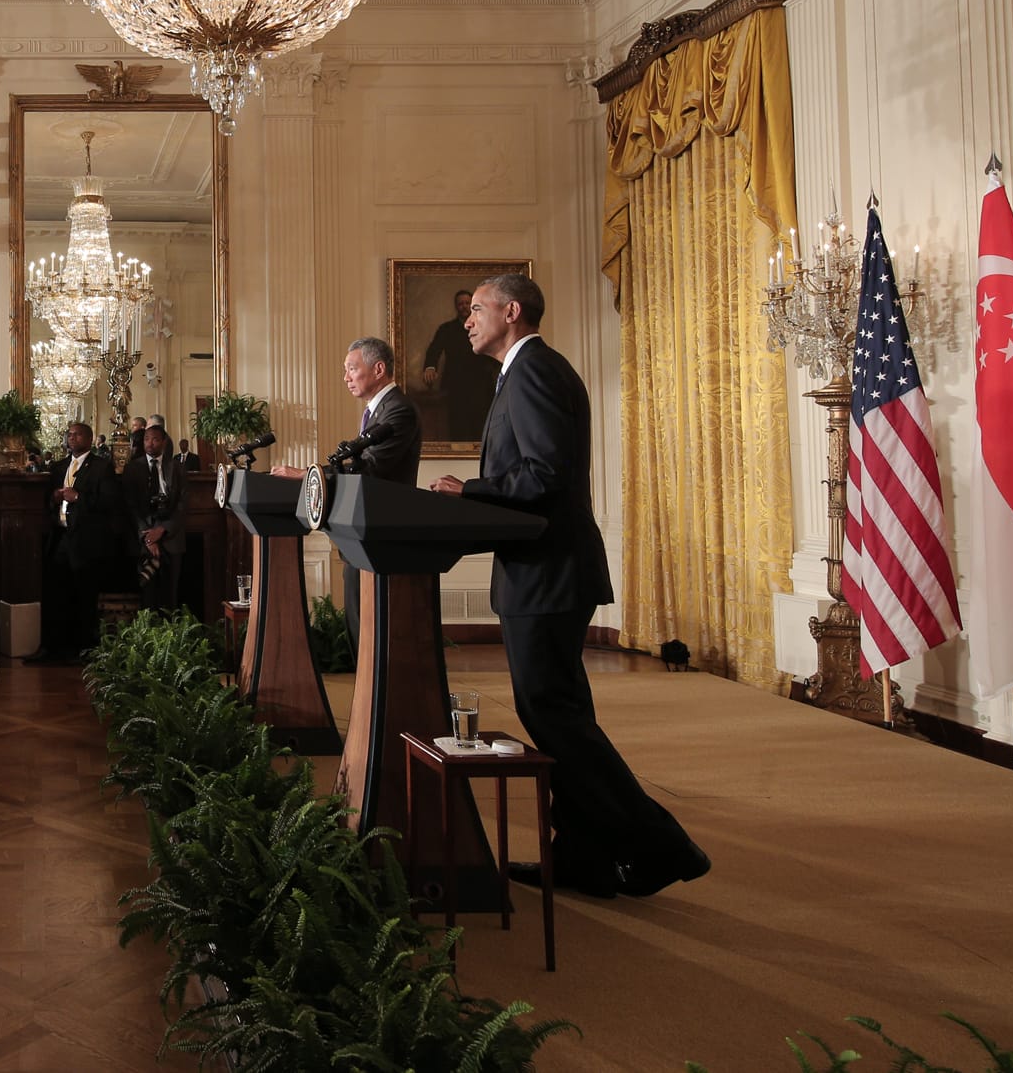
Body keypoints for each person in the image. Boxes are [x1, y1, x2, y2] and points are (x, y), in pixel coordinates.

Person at [431, 273, 708, 899]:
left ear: (511, 310)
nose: (467, 321)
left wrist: (468, 490)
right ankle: (582, 856)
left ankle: (663, 845)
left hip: (548, 572)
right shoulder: (527, 371)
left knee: (554, 716)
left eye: (476, 310)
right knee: (559, 715)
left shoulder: (531, 371)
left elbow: (543, 474)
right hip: (544, 570)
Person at [275, 336, 423, 650]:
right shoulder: (377, 410)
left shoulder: (398, 410)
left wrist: (307, 475)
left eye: (351, 369)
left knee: (376, 635)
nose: (346, 378)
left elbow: (370, 468)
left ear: (379, 368)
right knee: (361, 628)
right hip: (361, 535)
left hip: (383, 532)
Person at [29, 422, 126, 664]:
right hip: (60, 538)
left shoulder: (102, 467)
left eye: (77, 434)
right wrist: (54, 498)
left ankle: (84, 650)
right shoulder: (59, 466)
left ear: (89, 439)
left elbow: (109, 502)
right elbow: (47, 500)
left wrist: (78, 497)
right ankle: (53, 647)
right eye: (69, 434)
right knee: (56, 594)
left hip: (87, 541)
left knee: (84, 596)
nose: (72, 438)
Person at [421, 288, 501, 440]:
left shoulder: (485, 327)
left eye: (467, 303)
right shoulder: (447, 329)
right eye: (460, 304)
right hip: (455, 386)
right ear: (456, 306)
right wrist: (430, 367)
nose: (464, 306)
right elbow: (434, 350)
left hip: (481, 386)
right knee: (458, 428)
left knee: (481, 428)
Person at [122, 424, 186, 613]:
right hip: (144, 538)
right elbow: (130, 506)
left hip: (171, 538)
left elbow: (182, 504)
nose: (150, 443)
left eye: (155, 439)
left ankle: (171, 637)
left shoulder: (176, 468)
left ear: (164, 442)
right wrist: (148, 536)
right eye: (147, 439)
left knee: (170, 594)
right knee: (147, 594)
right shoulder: (133, 468)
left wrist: (163, 529)